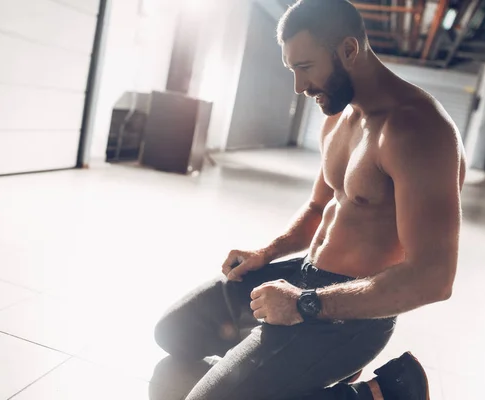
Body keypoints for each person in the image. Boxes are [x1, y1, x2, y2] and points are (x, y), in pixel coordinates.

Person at [154, 0, 466, 399]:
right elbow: (321, 208)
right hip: (301, 278)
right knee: (173, 332)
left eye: (305, 68)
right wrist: (266, 253)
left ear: (349, 51)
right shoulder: (339, 115)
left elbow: (434, 278)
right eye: (292, 70)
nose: (299, 88)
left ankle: (385, 391)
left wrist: (305, 305)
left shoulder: (419, 132)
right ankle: (275, 369)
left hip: (349, 317)